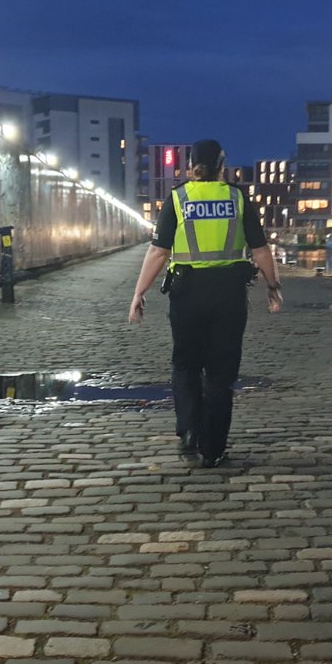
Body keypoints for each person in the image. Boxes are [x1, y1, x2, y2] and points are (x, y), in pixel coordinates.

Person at [128, 139, 282, 468]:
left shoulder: (178, 198)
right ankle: (213, 448)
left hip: (186, 292)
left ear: (191, 166)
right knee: (220, 373)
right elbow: (260, 250)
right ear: (222, 164)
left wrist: (139, 292)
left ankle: (188, 429)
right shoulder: (238, 198)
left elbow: (158, 251)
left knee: (185, 364)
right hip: (228, 294)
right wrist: (273, 286)